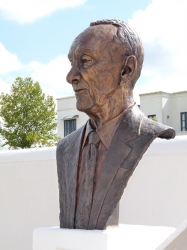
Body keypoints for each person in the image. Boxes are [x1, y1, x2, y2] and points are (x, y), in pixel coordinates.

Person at [57, 19, 175, 230]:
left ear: (126, 70)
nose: (71, 76)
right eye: (71, 63)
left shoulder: (147, 138)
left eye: (85, 61)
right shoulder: (66, 148)